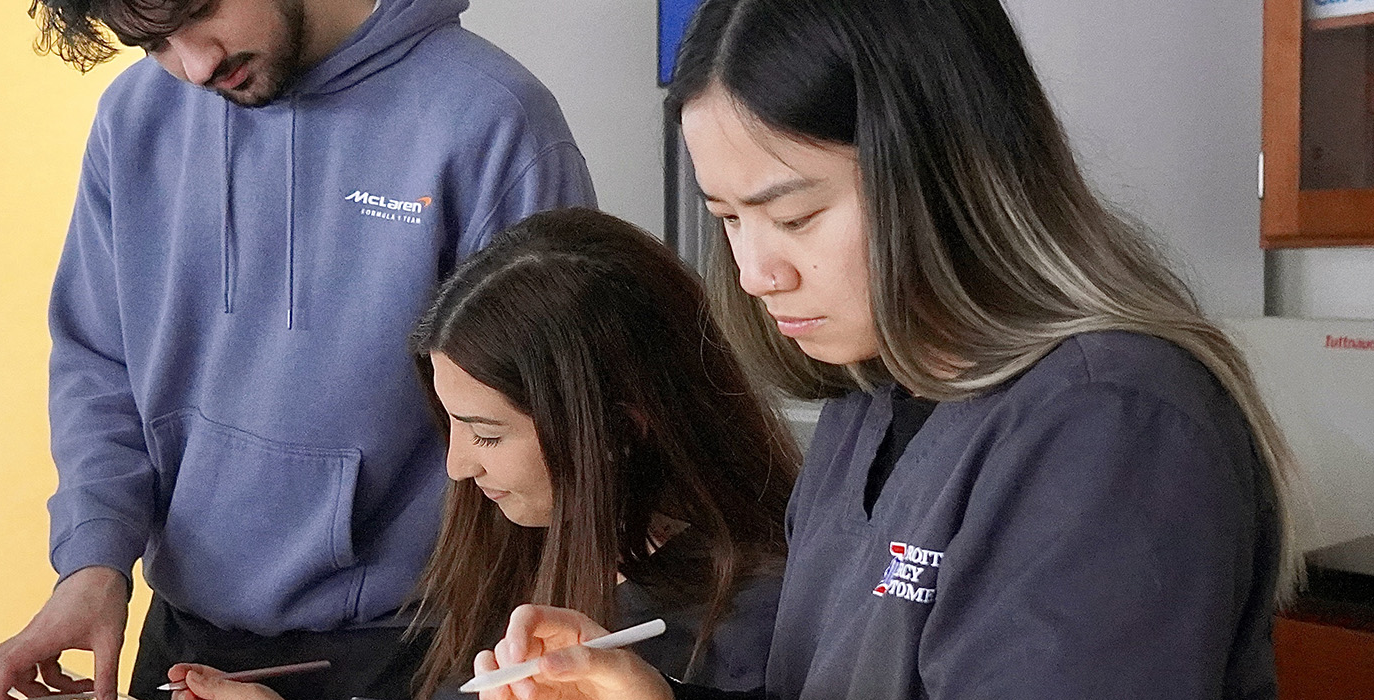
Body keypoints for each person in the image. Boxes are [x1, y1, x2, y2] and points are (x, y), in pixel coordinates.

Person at [473, 0, 1298, 698]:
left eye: (794, 217)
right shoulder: (869, 401)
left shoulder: (1109, 429)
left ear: (945, 168)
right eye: (728, 219)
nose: (756, 273)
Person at [0, 0, 595, 698]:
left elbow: (562, 420)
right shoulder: (133, 118)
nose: (196, 65)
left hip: (421, 648)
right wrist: (93, 563)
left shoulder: (493, 119)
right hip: (184, 643)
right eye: (151, 43)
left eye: (200, 8)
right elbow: (98, 367)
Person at [163, 208, 800, 700]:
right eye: (451, 424)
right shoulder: (520, 542)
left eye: (487, 433)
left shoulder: (749, 623)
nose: (457, 466)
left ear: (619, 428)